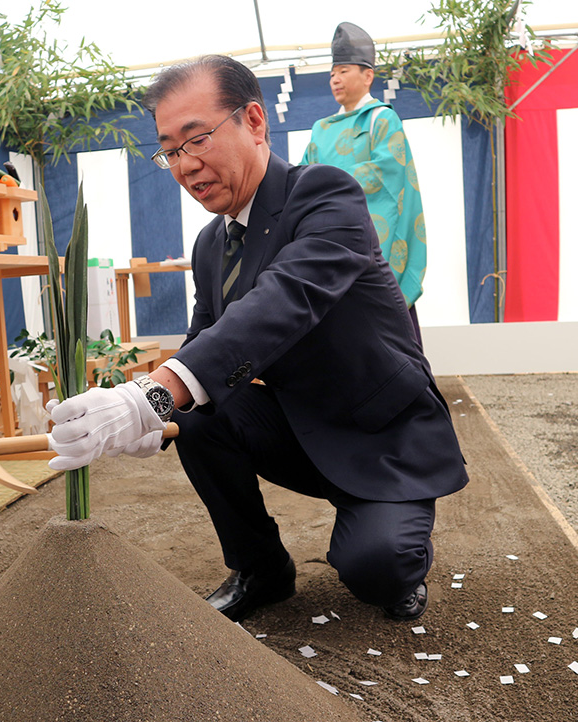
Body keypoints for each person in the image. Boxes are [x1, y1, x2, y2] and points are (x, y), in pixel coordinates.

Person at [45, 55, 467, 623]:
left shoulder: (325, 194)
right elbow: (206, 341)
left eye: (197, 140)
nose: (185, 166)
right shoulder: (209, 245)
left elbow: (286, 300)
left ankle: (398, 543)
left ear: (255, 121)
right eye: (170, 151)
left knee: (376, 570)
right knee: (196, 410)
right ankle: (261, 570)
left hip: (379, 436)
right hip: (299, 431)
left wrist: (153, 394)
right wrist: (153, 409)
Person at [301, 22, 427, 343]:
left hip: (371, 247)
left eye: (343, 71)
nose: (335, 79)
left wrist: (326, 182)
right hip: (329, 247)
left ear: (367, 75)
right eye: (332, 73)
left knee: (391, 338)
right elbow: (302, 182)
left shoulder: (381, 119)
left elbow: (388, 176)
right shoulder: (321, 129)